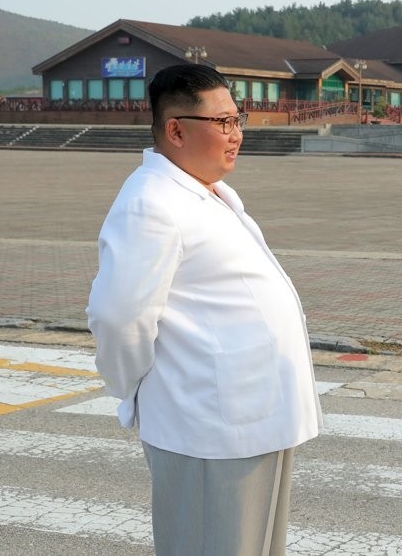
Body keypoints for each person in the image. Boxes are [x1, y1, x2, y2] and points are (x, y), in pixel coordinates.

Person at [87, 63, 322, 556]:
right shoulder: (150, 204)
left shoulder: (206, 192)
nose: (236, 135)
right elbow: (119, 318)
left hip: (253, 418)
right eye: (222, 124)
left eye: (238, 120)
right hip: (207, 426)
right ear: (176, 130)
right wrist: (133, 389)